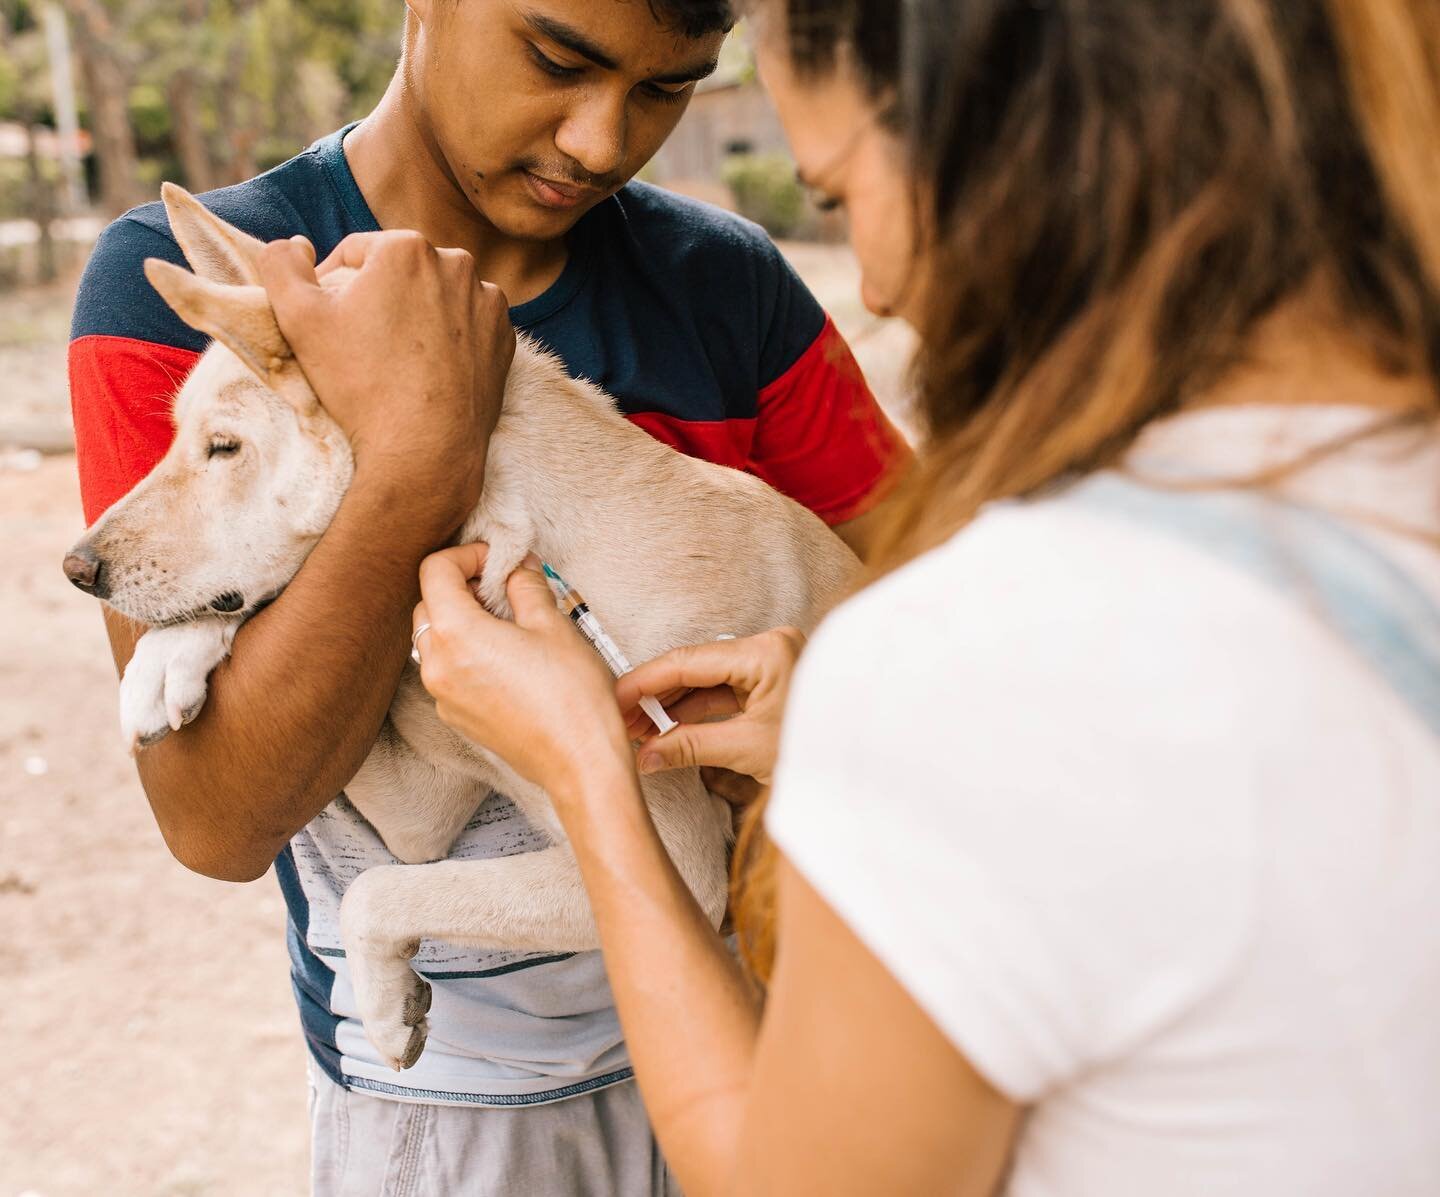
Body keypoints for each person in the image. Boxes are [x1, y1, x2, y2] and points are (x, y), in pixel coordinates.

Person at [404, 0, 1440, 1193]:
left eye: (844, 197)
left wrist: (591, 773)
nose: (881, 288)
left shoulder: (973, 652)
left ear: (1010, 150)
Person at [67, 0, 910, 1190]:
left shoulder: (727, 288)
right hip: (459, 1112)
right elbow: (215, 819)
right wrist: (418, 462)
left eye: (668, 87)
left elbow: (952, 595)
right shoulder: (170, 307)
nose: (601, 142)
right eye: (556, 58)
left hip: (787, 1054)